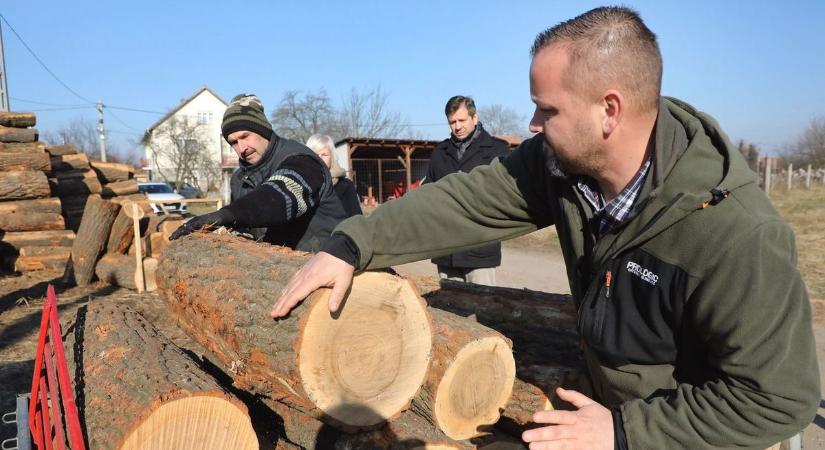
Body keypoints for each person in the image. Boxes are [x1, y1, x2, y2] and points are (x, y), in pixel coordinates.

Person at [270, 6, 819, 450]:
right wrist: (352, 243)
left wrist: (626, 433)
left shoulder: (735, 234)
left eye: (546, 110)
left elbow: (778, 399)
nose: (532, 125)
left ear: (610, 110)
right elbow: (463, 201)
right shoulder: (560, 167)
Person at [170, 94, 349, 252]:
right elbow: (246, 232)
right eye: (233, 142)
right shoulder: (239, 180)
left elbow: (280, 197)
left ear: (263, 130)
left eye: (245, 136)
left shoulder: (301, 160)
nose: (242, 148)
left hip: (326, 265)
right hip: (273, 275)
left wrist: (228, 214)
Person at [424, 96, 510, 286]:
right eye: (452, 122)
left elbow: (507, 195)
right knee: (448, 311)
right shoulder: (440, 152)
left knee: (484, 309)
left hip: (480, 246)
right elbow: (428, 193)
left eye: (462, 120)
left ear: (475, 118)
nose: (457, 126)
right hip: (447, 249)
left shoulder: (498, 149)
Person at [305, 134, 361, 217]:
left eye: (324, 154)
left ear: (332, 157)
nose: (320, 158)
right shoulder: (301, 184)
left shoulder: (345, 185)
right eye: (315, 154)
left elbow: (356, 219)